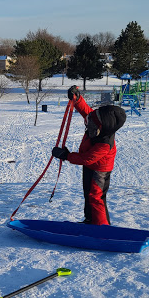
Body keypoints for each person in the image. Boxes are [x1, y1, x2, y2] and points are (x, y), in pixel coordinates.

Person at [52, 85, 127, 225]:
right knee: (88, 195)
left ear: (103, 126)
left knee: (96, 197)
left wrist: (66, 155)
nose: (89, 121)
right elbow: (87, 112)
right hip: (90, 168)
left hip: (100, 171)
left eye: (94, 121)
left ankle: (102, 228)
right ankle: (90, 221)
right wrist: (77, 99)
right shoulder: (97, 124)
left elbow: (87, 158)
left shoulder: (105, 143)